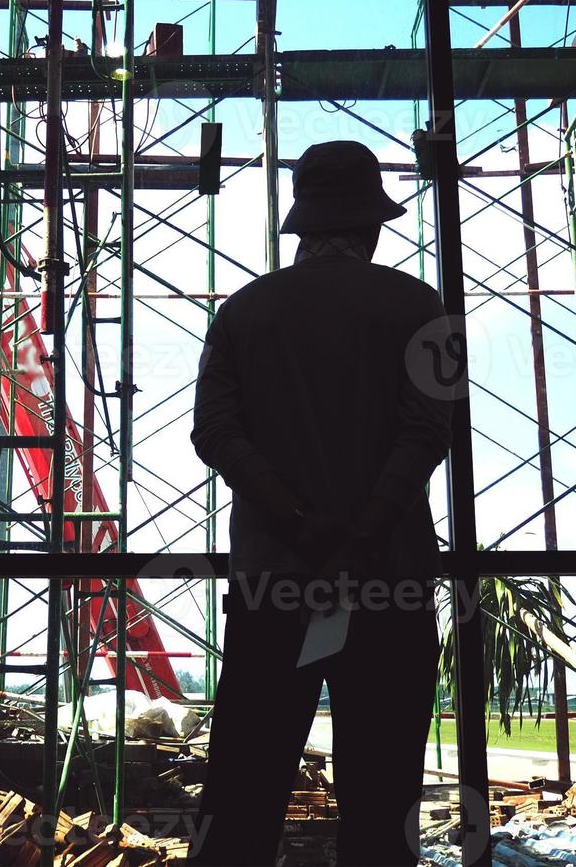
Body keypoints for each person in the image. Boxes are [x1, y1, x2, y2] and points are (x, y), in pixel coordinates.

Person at [189, 140, 459, 866]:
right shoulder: (419, 306)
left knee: (244, 790)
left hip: (275, 581)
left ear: (302, 225)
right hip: (389, 581)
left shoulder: (243, 312)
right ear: (373, 225)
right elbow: (430, 431)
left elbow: (214, 432)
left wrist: (297, 522)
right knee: (382, 797)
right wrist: (367, 532)